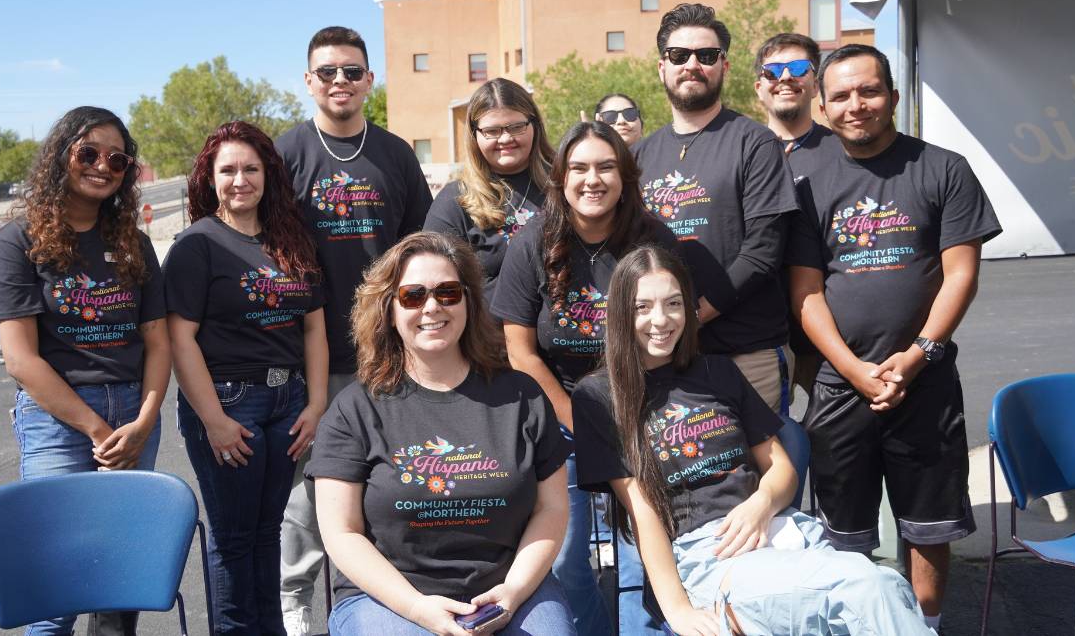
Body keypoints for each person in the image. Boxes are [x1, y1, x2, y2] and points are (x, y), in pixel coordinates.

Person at [573, 245, 935, 636]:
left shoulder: (717, 372)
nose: (660, 320)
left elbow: (781, 468)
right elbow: (641, 511)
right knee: (867, 587)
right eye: (642, 307)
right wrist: (677, 608)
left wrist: (761, 504)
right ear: (620, 312)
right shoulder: (600, 396)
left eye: (673, 303)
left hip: (779, 531)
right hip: (708, 557)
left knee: (882, 590)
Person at [789, 44, 1002, 633]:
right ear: (823, 106)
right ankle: (858, 625)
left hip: (926, 381)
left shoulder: (944, 167)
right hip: (840, 388)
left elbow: (961, 272)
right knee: (845, 534)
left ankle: (925, 627)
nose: (856, 105)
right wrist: (854, 371)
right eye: (841, 96)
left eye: (869, 91)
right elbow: (805, 294)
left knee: (928, 528)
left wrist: (918, 354)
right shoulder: (803, 181)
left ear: (893, 95)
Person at [308, 231, 575, 635]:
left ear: (468, 300)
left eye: (447, 292)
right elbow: (342, 533)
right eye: (413, 296)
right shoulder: (353, 410)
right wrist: (416, 609)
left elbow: (551, 510)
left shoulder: (521, 396)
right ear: (389, 310)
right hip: (390, 598)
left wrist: (514, 591)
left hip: (507, 590)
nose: (432, 307)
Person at [0, 106, 169, 636]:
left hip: (134, 413)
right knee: (56, 591)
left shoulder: (134, 242)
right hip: (57, 423)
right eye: (88, 153)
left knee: (120, 585)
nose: (102, 166)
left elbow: (157, 342)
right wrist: (98, 429)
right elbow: (20, 359)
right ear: (61, 156)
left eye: (117, 159)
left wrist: (145, 421)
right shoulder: (18, 242)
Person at [275, 25, 433, 635]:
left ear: (370, 80)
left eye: (352, 70)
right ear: (309, 81)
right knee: (306, 499)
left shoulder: (394, 154)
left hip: (390, 354)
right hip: (310, 356)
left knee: (389, 484)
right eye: (327, 71)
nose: (340, 81)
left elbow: (425, 244)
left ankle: (377, 608)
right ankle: (296, 611)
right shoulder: (285, 154)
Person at [492, 121, 678, 635]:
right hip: (561, 417)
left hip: (643, 416)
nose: (591, 179)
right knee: (566, 558)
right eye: (578, 168)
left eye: (605, 166)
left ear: (624, 176)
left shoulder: (652, 237)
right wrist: (579, 419)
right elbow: (520, 350)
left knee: (644, 551)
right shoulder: (533, 241)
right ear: (560, 177)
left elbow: (672, 332)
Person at [164, 121, 328, 635]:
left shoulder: (291, 241)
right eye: (228, 169)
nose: (240, 179)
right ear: (209, 178)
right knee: (233, 539)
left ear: (267, 175)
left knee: (267, 532)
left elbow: (315, 328)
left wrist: (316, 403)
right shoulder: (197, 245)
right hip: (228, 402)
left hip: (289, 403)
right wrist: (213, 420)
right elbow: (180, 338)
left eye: (250, 168)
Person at [634, 3, 798, 416]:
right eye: (679, 56)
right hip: (663, 356)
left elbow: (763, 253)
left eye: (706, 56)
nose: (692, 64)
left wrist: (689, 318)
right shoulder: (638, 156)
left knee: (763, 478)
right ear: (661, 67)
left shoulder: (756, 143)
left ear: (723, 66)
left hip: (746, 354)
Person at [753, 32, 834, 400]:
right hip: (758, 337)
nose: (785, 77)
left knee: (832, 448)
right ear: (759, 87)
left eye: (799, 68)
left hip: (830, 336)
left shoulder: (842, 152)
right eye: (773, 71)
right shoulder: (742, 153)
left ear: (814, 84)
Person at [423, 78, 554, 305]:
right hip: (490, 336)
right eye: (492, 131)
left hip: (562, 336)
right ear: (475, 135)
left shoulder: (567, 184)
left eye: (516, 127)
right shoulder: (456, 200)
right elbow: (433, 279)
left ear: (535, 125)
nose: (505, 138)